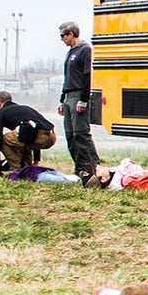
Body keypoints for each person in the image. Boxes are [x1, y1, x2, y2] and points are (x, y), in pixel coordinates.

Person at [58, 21, 102, 187]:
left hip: (78, 95)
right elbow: (67, 78)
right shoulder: (70, 53)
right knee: (70, 135)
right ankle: (80, 168)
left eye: (63, 35)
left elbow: (87, 76)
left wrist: (84, 99)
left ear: (71, 34)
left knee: (81, 134)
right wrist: (62, 99)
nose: (62, 39)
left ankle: (94, 167)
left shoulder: (85, 50)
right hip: (68, 96)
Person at [0, 91, 57, 171]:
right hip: (51, 136)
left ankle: (18, 169)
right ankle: (27, 167)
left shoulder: (1, 114)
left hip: (39, 136)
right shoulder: (25, 109)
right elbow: (34, 128)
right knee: (21, 137)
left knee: (3, 140)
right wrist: (36, 160)